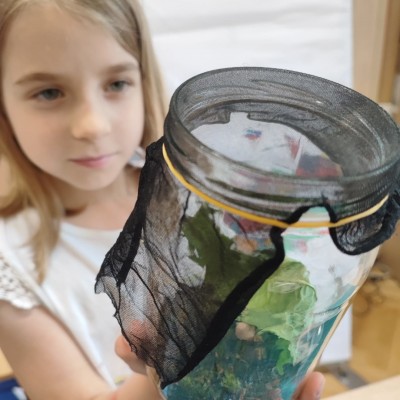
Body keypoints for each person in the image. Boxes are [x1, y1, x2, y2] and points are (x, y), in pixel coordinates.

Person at [0, 0, 325, 399]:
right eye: (49, 92)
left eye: (116, 84)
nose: (93, 126)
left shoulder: (198, 196)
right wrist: (168, 369)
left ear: (142, 80)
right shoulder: (10, 267)